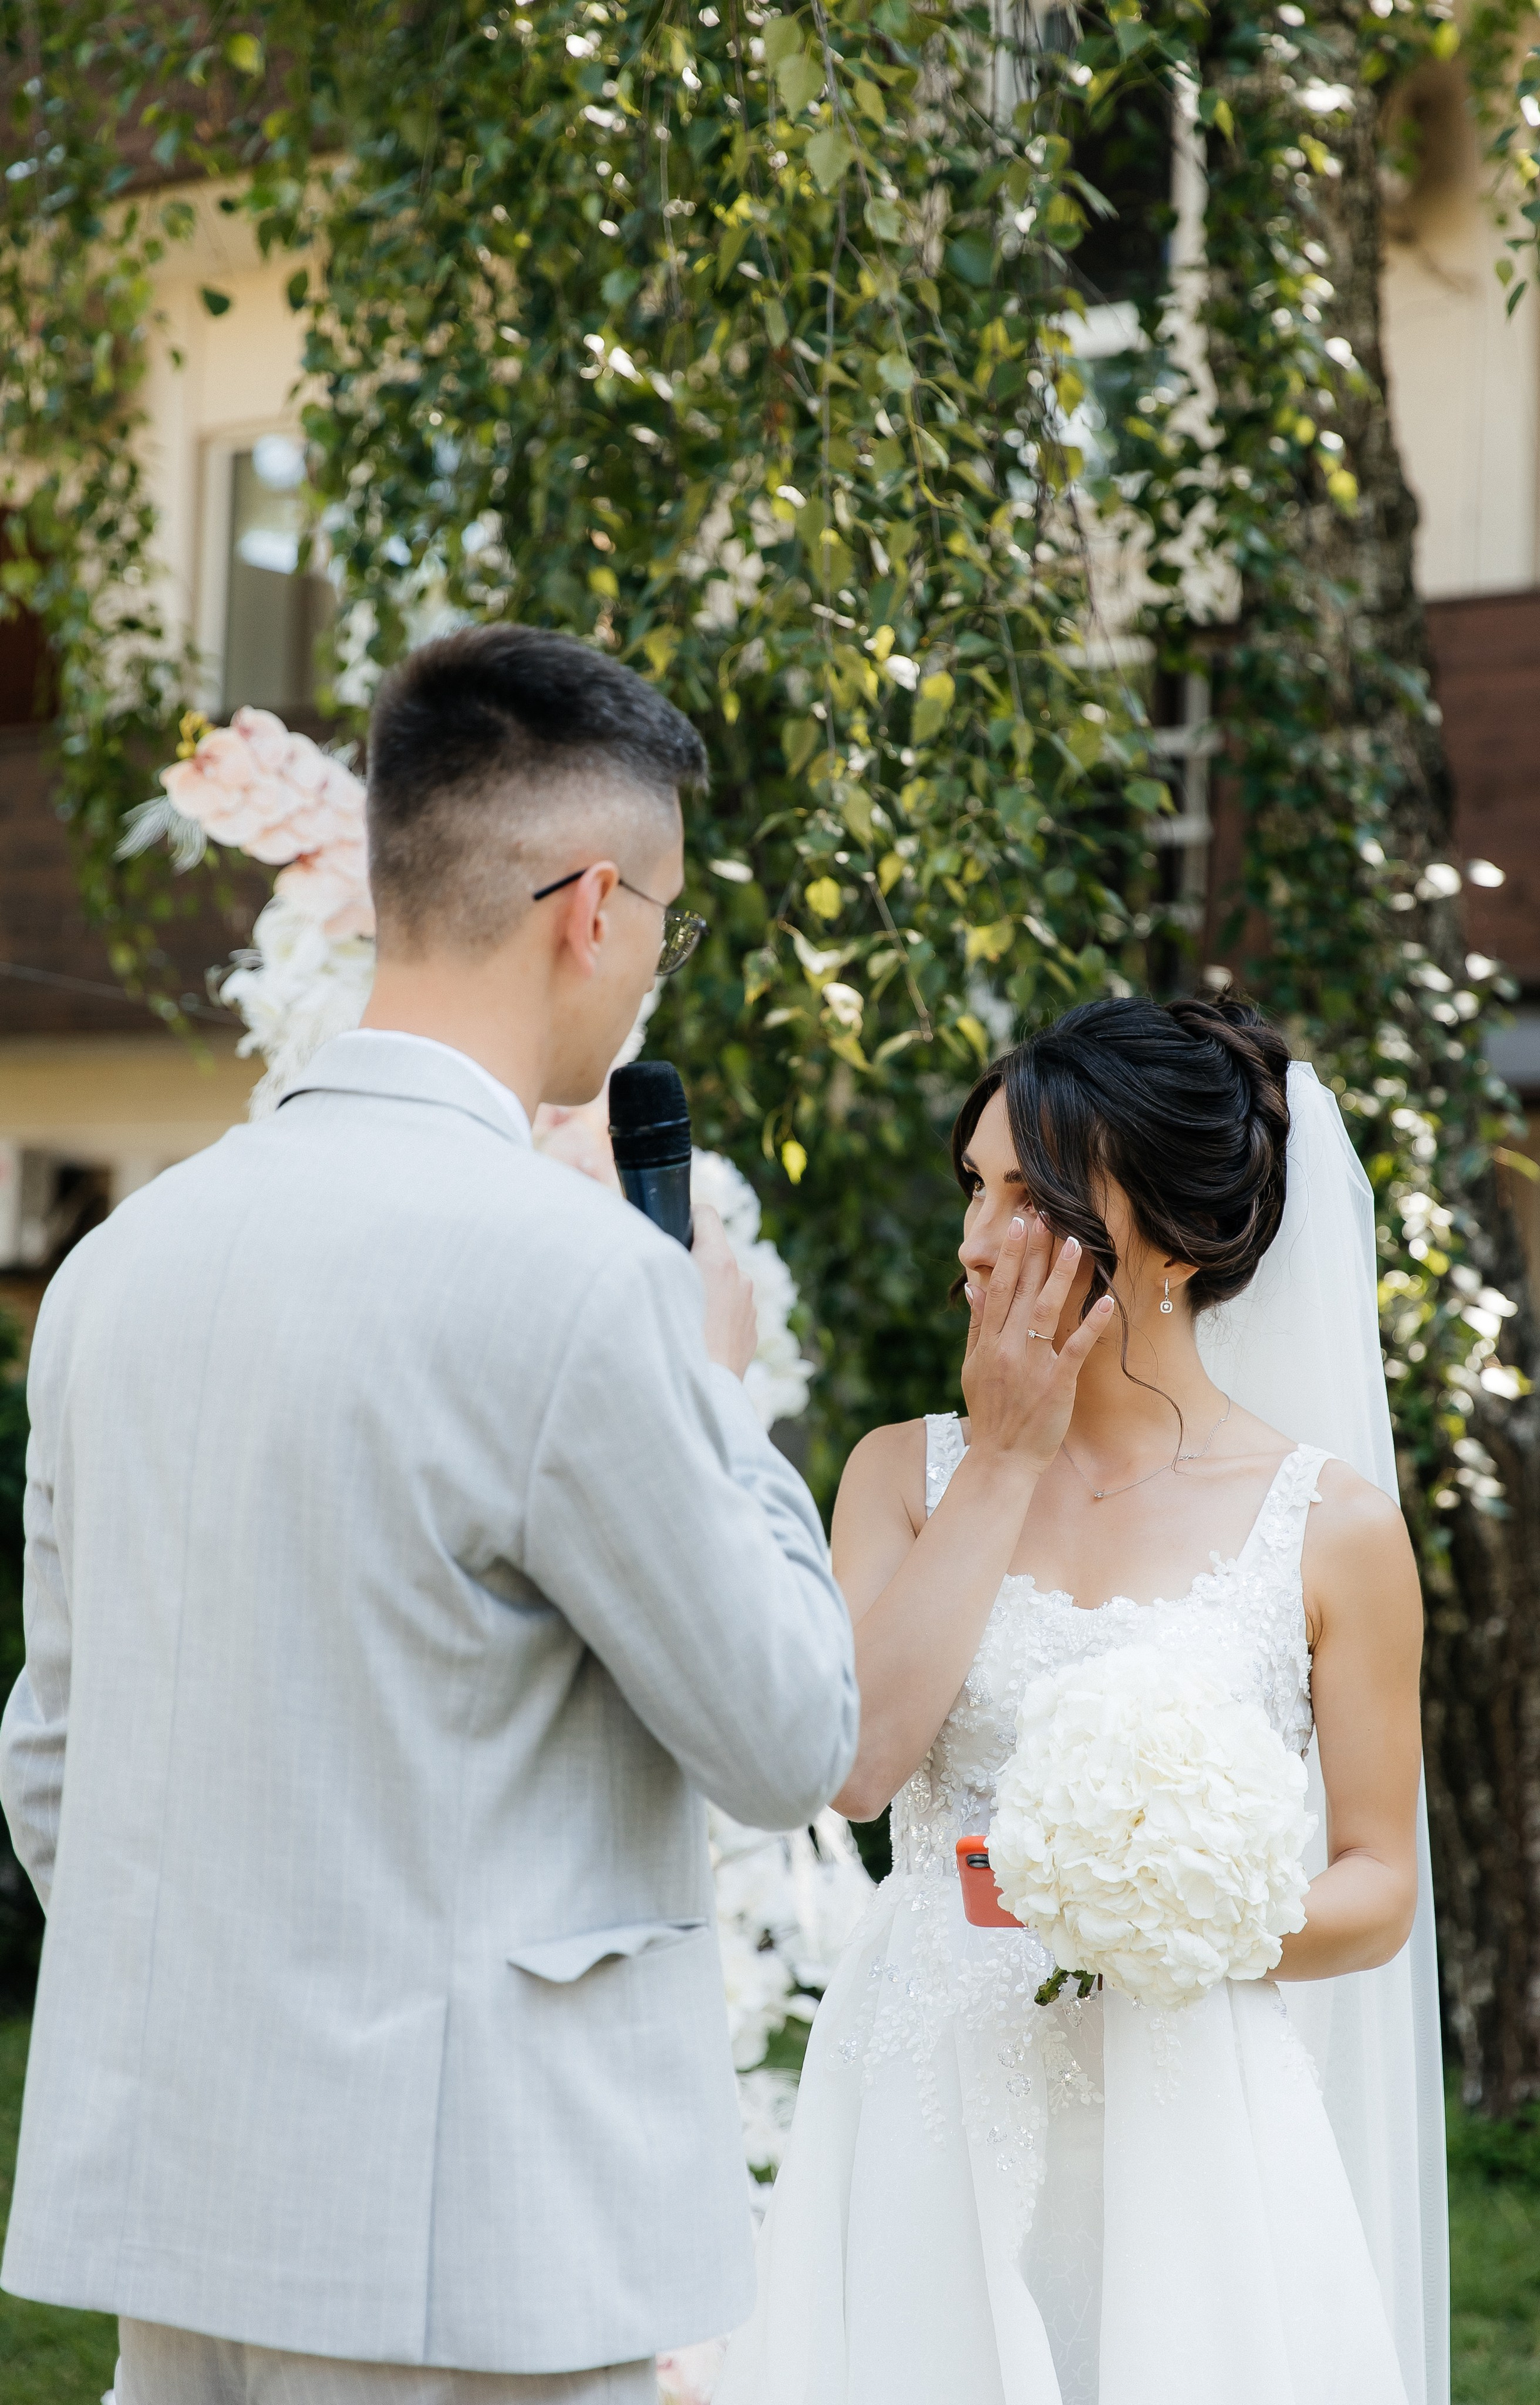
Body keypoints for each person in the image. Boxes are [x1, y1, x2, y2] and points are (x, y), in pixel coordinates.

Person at [0, 626, 860, 2405]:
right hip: (477, 2238)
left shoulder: (114, 1269)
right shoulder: (576, 1283)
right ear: (592, 907)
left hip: (188, 2202)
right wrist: (723, 1388)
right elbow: (782, 1738)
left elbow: (53, 1767)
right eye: (670, 923)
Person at [716, 993, 1449, 2405]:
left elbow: (1375, 1883)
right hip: (927, 2092)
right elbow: (859, 1768)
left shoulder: (1331, 1527)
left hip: (1189, 2119)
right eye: (973, 1187)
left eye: (1027, 1197)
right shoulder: (898, 1476)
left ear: (1169, 1244)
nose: (975, 1238)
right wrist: (1000, 1459)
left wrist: (1178, 1914)